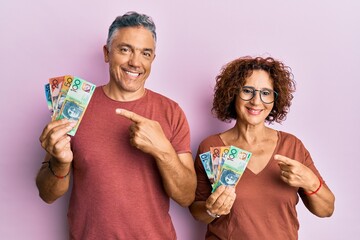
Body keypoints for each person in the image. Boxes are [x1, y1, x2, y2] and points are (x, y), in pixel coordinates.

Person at [36, 11, 196, 239]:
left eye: (145, 53)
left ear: (152, 59)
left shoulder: (171, 112)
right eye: (125, 49)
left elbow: (187, 196)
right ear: (106, 53)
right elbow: (47, 194)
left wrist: (163, 151)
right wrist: (60, 163)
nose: (135, 62)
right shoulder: (73, 105)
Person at [189, 56, 335, 239]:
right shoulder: (211, 147)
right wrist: (211, 210)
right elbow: (197, 212)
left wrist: (310, 182)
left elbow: (326, 210)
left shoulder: (292, 146)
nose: (256, 101)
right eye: (248, 91)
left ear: (275, 98)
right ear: (233, 93)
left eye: (266, 93)